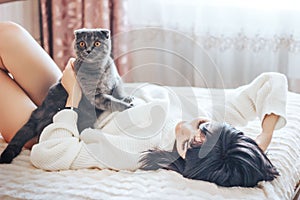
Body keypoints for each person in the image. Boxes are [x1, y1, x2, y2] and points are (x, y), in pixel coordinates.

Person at [0, 22, 288, 187]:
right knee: (8, 34)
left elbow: (51, 154)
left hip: (51, 126)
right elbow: (272, 81)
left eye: (191, 145)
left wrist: (74, 95)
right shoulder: (211, 121)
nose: (191, 132)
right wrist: (264, 136)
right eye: (206, 129)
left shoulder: (139, 151)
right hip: (75, 94)